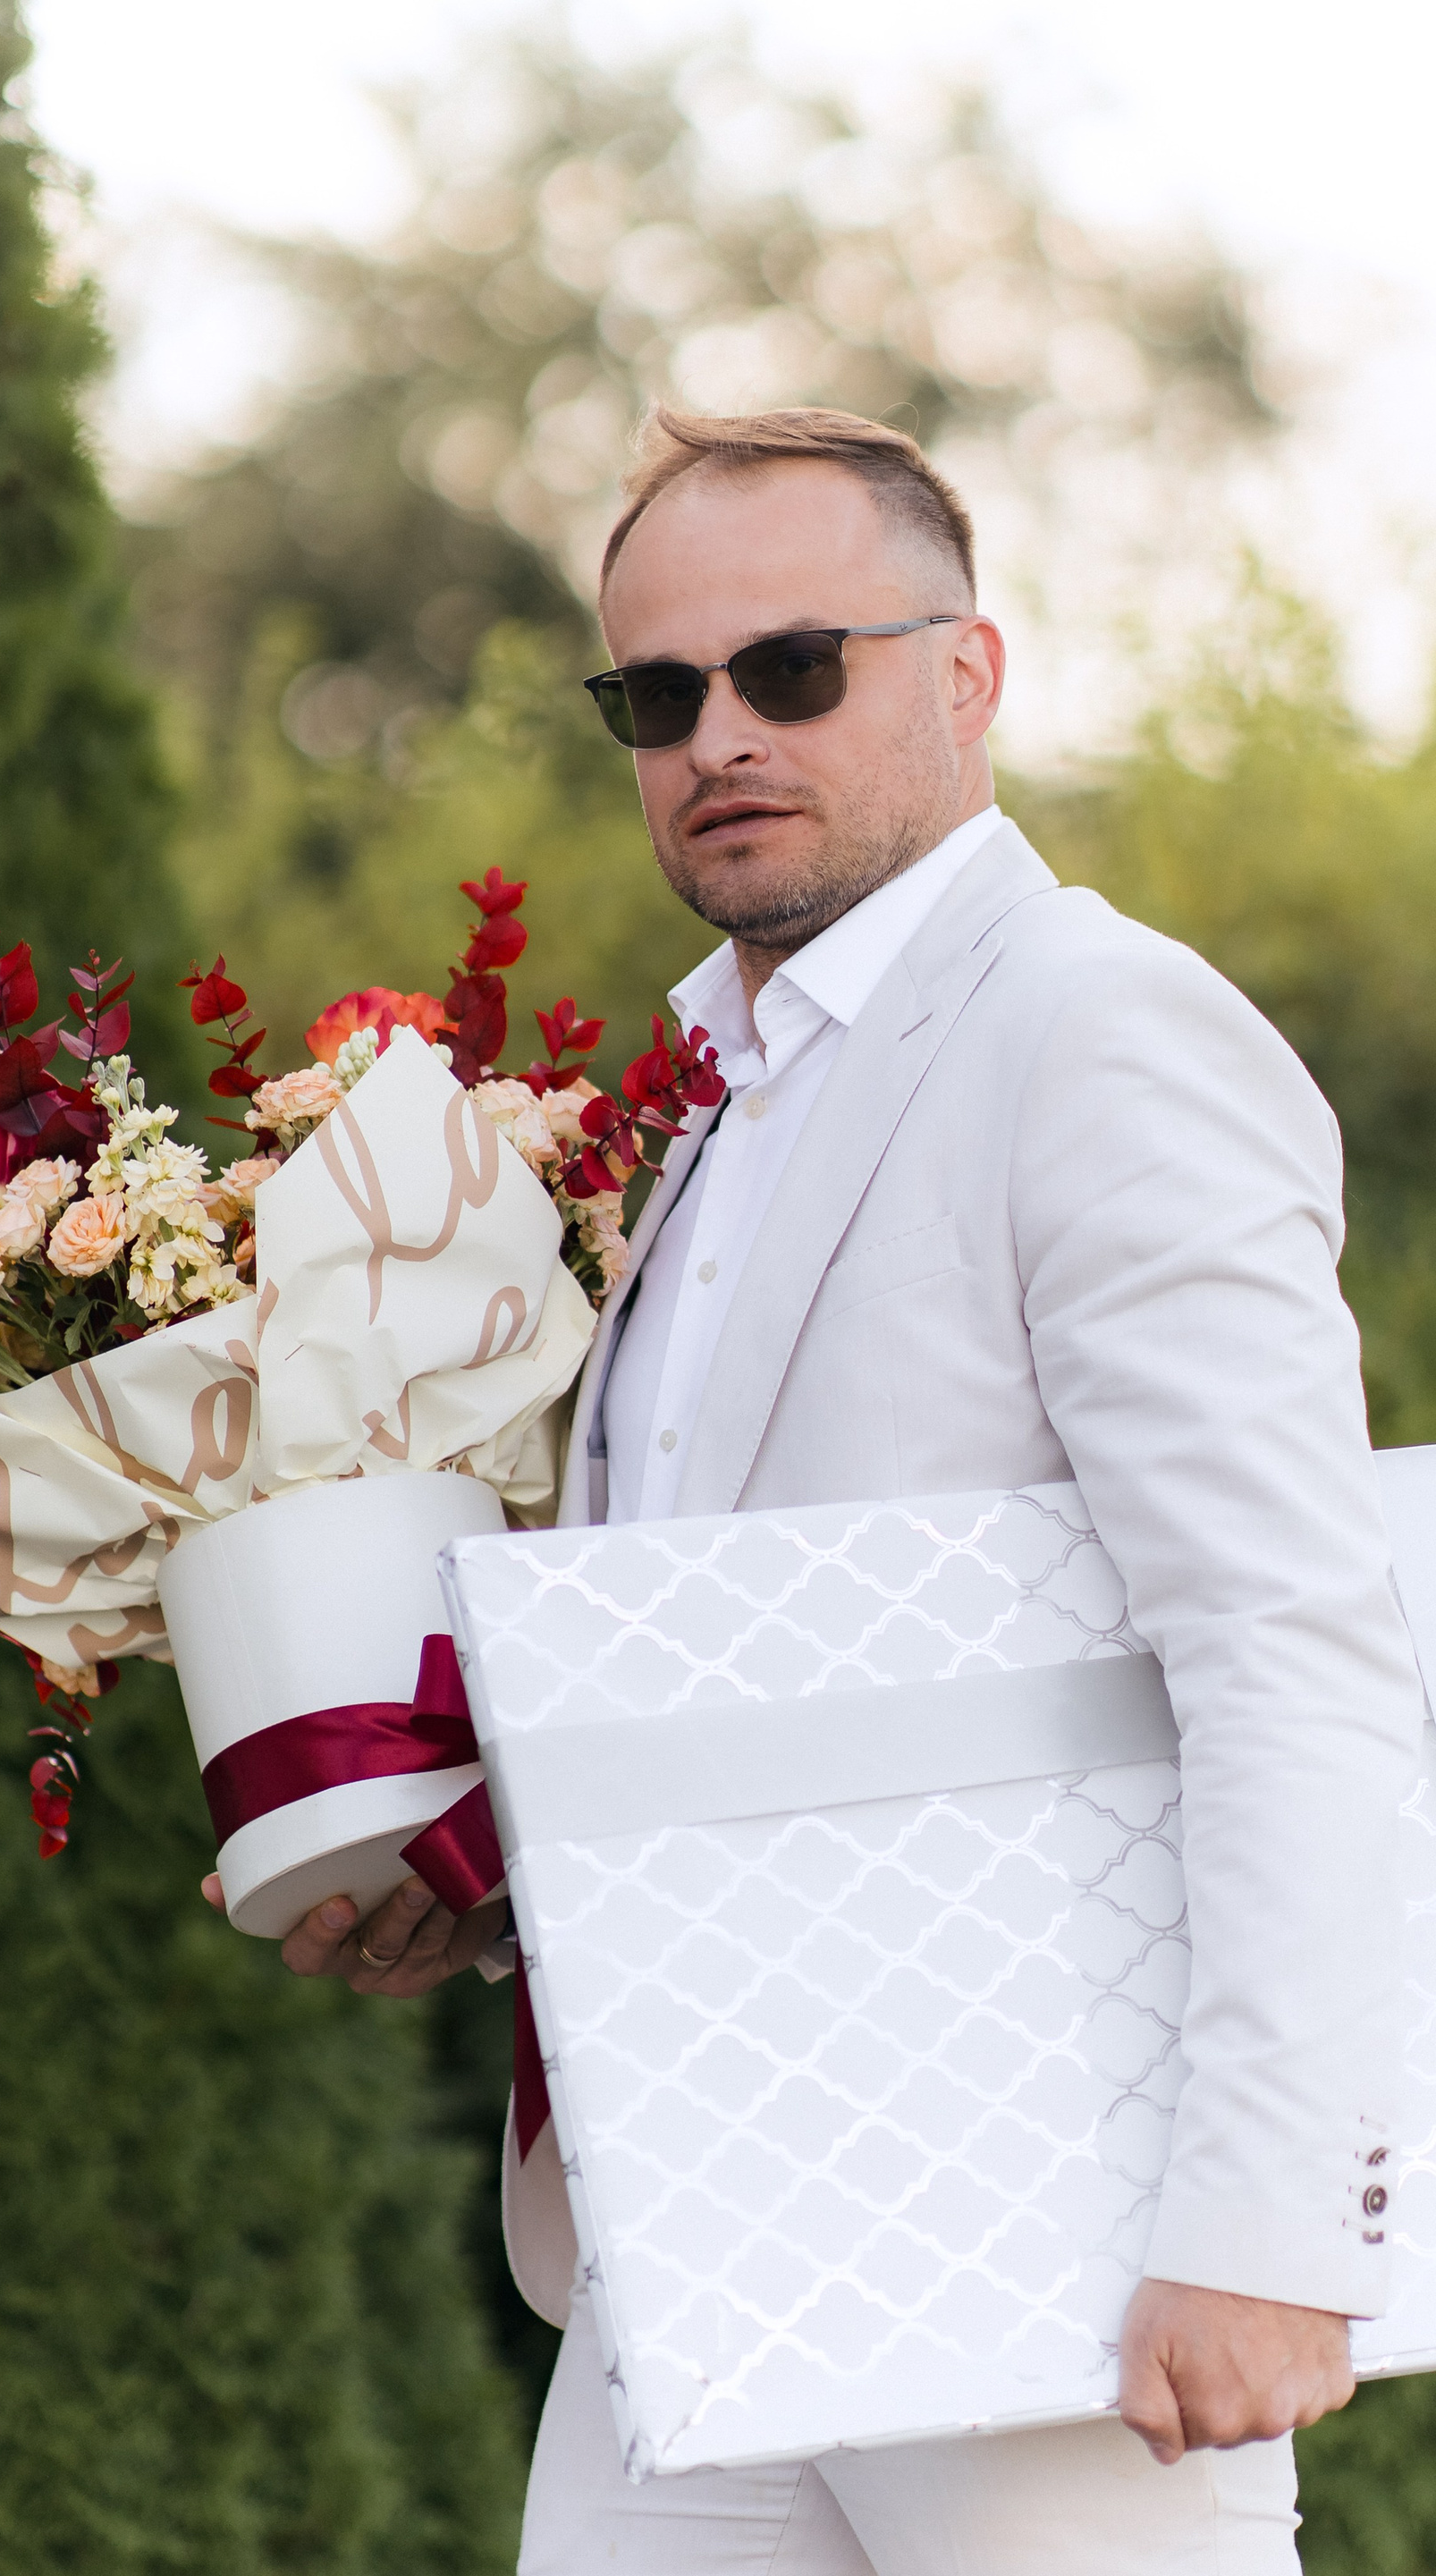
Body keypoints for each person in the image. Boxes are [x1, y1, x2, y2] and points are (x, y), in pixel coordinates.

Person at [245, 407, 1425, 2573]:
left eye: (793, 667)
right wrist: (484, 1865)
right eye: (656, 692)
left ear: (969, 675)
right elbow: (738, 1656)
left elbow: (1297, 1650)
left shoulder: (1099, 1033)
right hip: (687, 2219)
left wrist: (1272, 2219)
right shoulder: (696, 1100)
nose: (720, 735)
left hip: (1038, 2235)